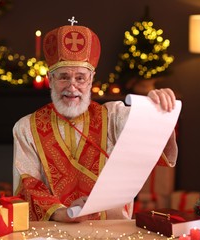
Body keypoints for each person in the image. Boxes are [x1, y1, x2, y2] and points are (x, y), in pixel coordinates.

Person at [13, 19, 178, 223]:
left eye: (80, 78)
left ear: (91, 79)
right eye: (64, 77)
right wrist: (62, 213)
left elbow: (149, 134)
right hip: (55, 229)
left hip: (111, 228)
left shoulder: (113, 116)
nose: (72, 87)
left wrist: (157, 108)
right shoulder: (26, 127)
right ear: (50, 79)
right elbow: (28, 184)